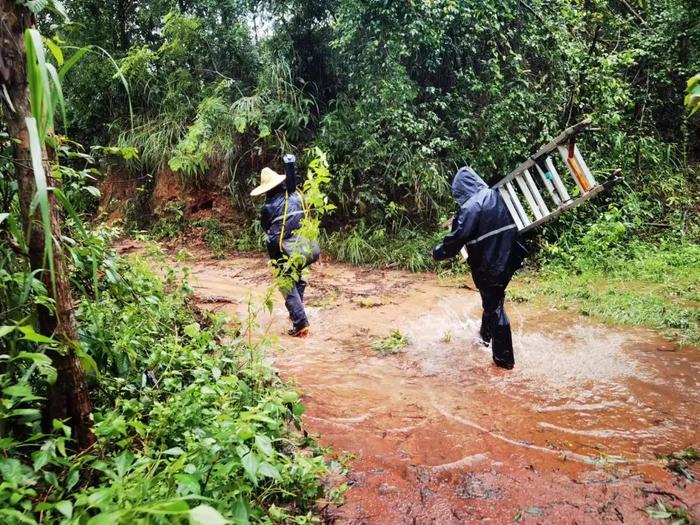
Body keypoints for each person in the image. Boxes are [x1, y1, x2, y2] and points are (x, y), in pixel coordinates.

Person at [432, 167, 527, 369]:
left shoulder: (471, 207)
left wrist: (438, 252)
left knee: (495, 308)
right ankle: (484, 339)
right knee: (493, 300)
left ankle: (504, 362)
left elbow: (456, 240)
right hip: (509, 257)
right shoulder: (495, 195)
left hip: (490, 264)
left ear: (460, 188)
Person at [251, 155, 317, 337]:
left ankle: (301, 323)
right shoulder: (296, 195)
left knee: (285, 282)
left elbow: (267, 228)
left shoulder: (268, 206)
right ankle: (298, 312)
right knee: (297, 277)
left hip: (281, 248)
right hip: (302, 246)